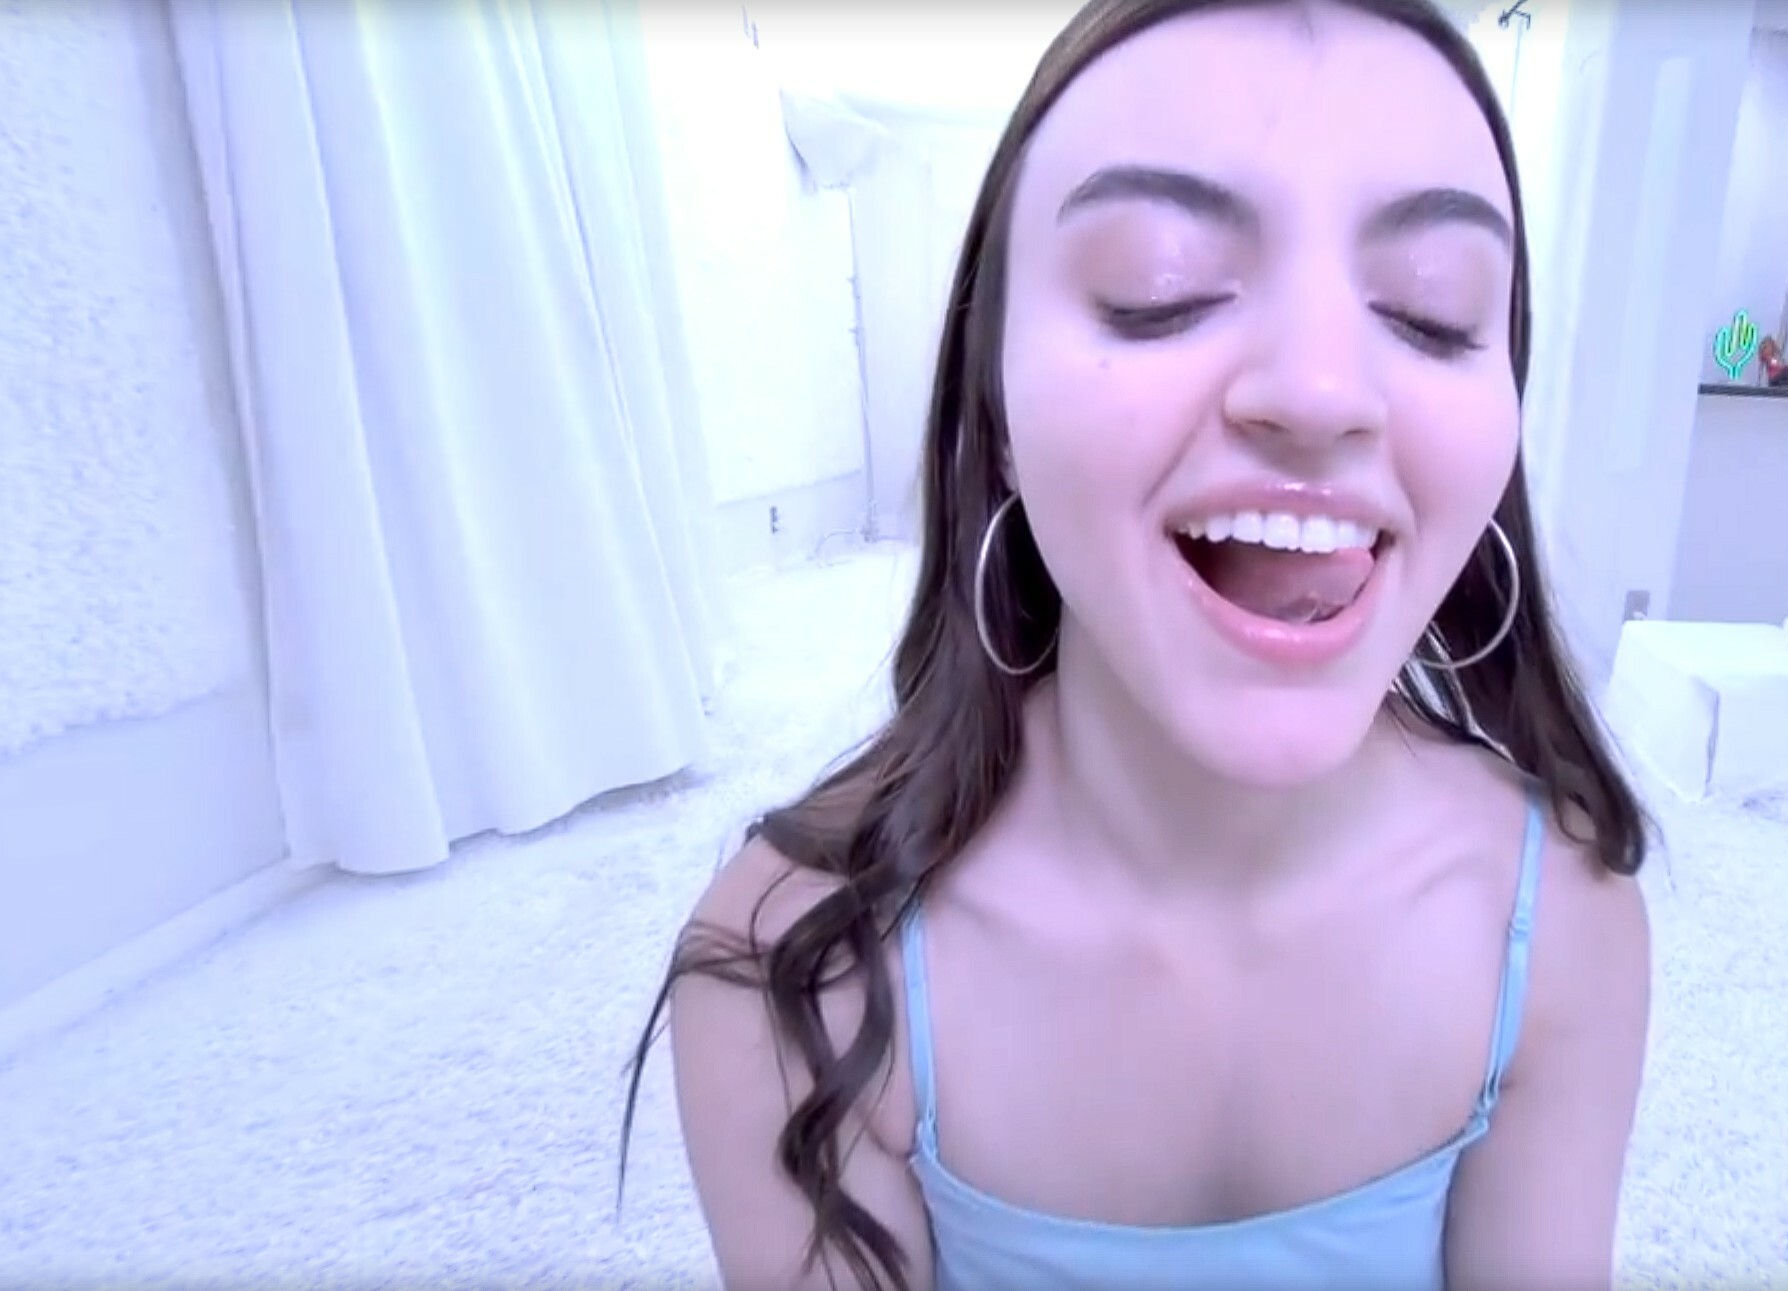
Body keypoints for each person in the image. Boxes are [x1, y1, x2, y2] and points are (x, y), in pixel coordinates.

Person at [625, 1, 1654, 1287]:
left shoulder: (1561, 916)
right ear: (996, 411)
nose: (1319, 391)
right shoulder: (795, 967)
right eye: (1156, 288)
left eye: (1432, 312)